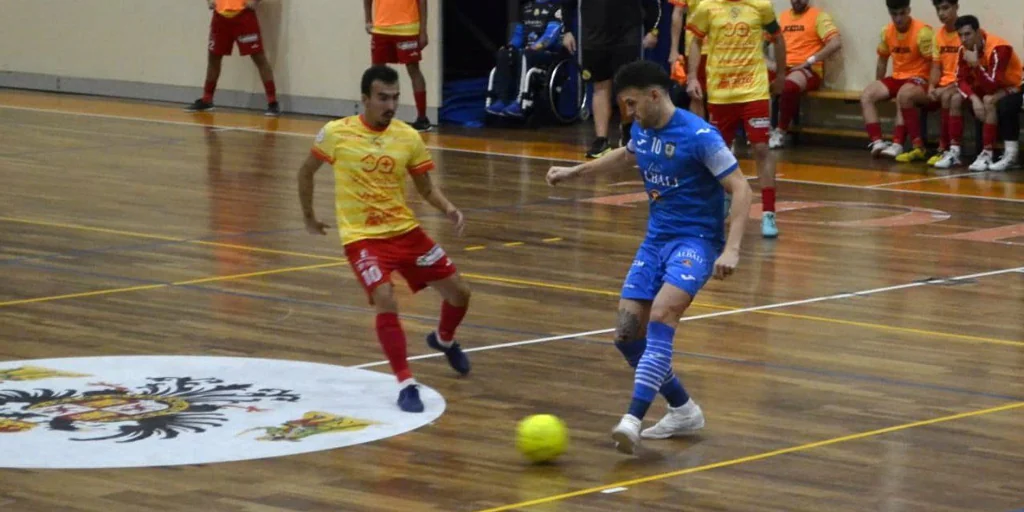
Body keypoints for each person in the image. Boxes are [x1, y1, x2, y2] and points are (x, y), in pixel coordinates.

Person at [546, 61, 753, 455]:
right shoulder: (642, 129)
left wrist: (732, 248)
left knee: (662, 315)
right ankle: (683, 408)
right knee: (626, 336)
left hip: (696, 242)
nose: (629, 113)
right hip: (655, 242)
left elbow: (741, 189)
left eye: (632, 103)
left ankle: (632, 419)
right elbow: (625, 157)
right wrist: (573, 173)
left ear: (655, 95)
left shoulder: (699, 135)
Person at [297, 65, 472, 413]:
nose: (390, 105)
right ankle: (406, 383)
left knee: (460, 294)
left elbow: (424, 187)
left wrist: (448, 208)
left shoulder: (408, 137)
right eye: (382, 98)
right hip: (362, 239)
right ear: (364, 99)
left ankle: (443, 339)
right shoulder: (336, 133)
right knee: (385, 297)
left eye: (395, 98)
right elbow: (306, 172)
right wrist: (308, 217)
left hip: (406, 232)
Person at [686, 0, 786, 238]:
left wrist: (781, 74)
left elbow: (778, 38)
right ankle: (723, 201)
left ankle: (769, 213)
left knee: (761, 148)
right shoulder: (706, 7)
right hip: (721, 94)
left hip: (755, 91)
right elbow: (696, 41)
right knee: (719, 152)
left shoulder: (761, 6)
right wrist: (692, 76)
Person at [563, 0, 662, 158]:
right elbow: (567, 3)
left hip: (627, 35)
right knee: (600, 86)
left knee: (627, 87)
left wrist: (653, 30)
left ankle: (628, 132)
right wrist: (567, 30)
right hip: (594, 36)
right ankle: (601, 140)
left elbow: (652, 4)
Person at [860, 0, 934, 160]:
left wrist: (932, 86)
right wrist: (878, 83)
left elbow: (934, 63)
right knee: (867, 94)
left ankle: (898, 144)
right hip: (897, 77)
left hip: (919, 78)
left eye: (902, 13)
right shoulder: (887, 31)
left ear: (908, 10)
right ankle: (877, 142)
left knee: (903, 94)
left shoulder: (923, 32)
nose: (898, 18)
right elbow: (882, 60)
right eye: (894, 14)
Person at [185, 0, 279, 116]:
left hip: (244, 16)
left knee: (259, 58)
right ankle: (207, 99)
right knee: (214, 57)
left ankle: (272, 102)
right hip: (220, 17)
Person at [769, 0, 842, 149]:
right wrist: (770, 64)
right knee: (753, 79)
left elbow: (835, 42)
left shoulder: (818, 17)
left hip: (808, 70)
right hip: (784, 68)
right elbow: (759, 44)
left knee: (788, 86)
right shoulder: (781, 18)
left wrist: (810, 61)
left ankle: (780, 132)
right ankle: (759, 131)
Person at [954, 15, 1023, 171]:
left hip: (1015, 86)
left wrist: (975, 65)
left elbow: (993, 85)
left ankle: (1005, 154)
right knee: (958, 98)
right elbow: (959, 80)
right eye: (960, 35)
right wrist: (973, 99)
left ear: (978, 32)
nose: (963, 39)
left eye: (967, 34)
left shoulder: (999, 48)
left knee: (991, 100)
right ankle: (963, 151)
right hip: (991, 87)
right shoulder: (963, 50)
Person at [486, 0, 565, 118]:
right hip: (528, 51)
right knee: (505, 53)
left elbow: (550, 36)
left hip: (547, 53)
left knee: (525, 54)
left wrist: (535, 47)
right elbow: (518, 35)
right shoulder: (526, 8)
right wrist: (511, 46)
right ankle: (502, 100)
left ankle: (521, 101)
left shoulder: (555, 7)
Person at [363, 0, 432, 131]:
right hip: (381, 28)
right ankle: (373, 116)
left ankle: (422, 118)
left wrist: (423, 30)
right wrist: (368, 20)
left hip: (407, 27)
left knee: (413, 69)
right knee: (376, 72)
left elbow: (422, 2)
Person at [921, 0, 963, 168]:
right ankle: (917, 146)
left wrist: (945, 88)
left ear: (956, 7)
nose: (941, 13)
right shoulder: (938, 35)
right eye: (938, 9)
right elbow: (936, 66)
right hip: (945, 84)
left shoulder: (965, 32)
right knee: (909, 95)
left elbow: (969, 71)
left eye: (945, 8)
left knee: (947, 97)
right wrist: (932, 86)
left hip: (962, 83)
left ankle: (946, 147)